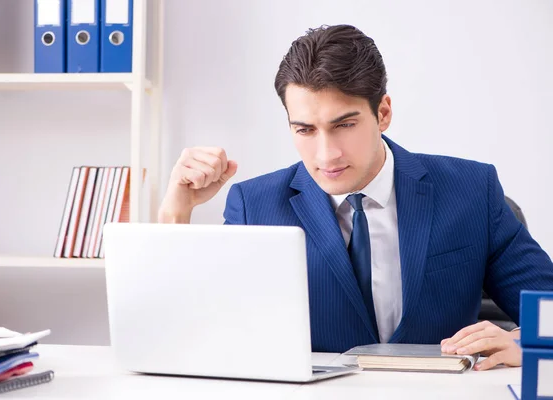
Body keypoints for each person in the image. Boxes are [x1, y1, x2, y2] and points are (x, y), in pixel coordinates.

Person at [158, 24, 553, 371]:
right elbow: (191, 335)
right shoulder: (255, 205)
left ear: (383, 113)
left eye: (344, 125)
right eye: (305, 130)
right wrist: (177, 211)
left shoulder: (470, 189)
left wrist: (528, 342)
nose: (326, 154)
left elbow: (548, 308)